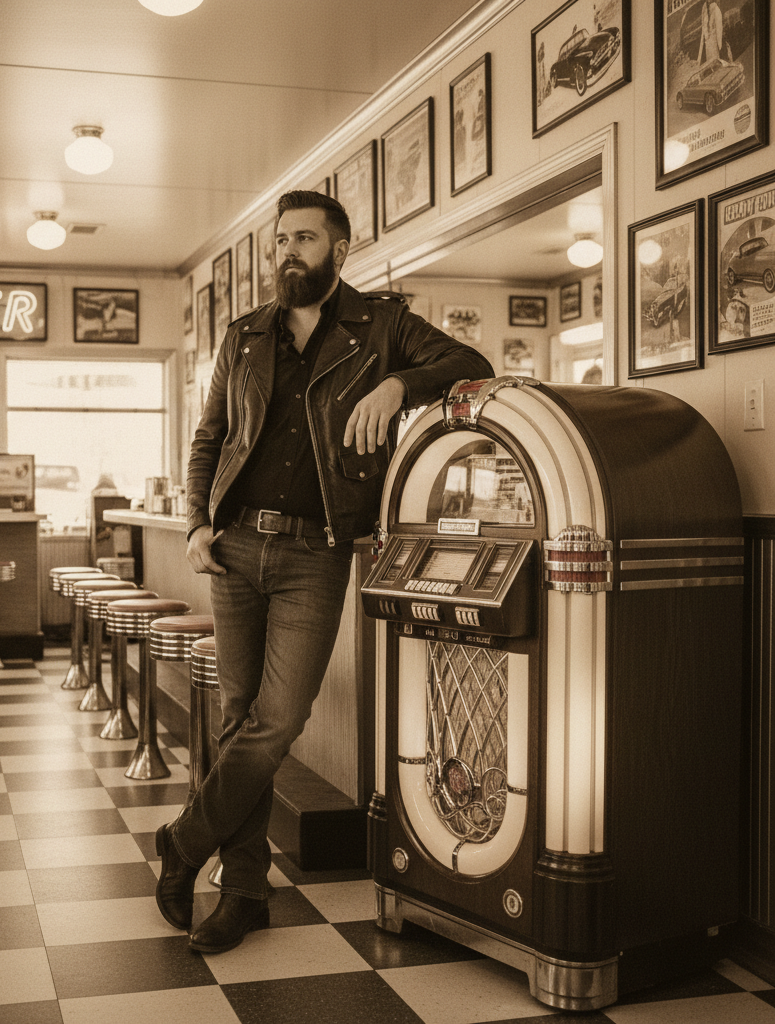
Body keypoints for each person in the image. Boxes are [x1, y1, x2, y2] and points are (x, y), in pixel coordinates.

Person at [156, 190, 493, 954]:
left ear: (339, 250)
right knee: (240, 718)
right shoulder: (244, 335)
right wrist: (197, 523)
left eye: (304, 239)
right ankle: (244, 892)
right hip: (236, 546)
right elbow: (209, 437)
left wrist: (398, 384)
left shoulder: (383, 326)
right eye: (282, 239)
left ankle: (183, 841)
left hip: (317, 551)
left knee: (277, 719)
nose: (288, 252)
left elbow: (471, 363)